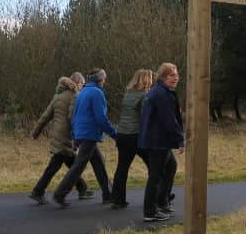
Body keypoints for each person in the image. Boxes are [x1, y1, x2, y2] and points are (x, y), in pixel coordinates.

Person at [51, 68, 116, 207]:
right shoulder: (97, 93)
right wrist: (115, 134)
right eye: (104, 78)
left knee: (99, 162)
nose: (105, 81)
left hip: (83, 132)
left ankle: (108, 194)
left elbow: (74, 117)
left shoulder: (83, 92)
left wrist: (75, 136)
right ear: (100, 79)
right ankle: (59, 194)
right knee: (79, 165)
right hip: (90, 133)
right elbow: (101, 118)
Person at [29, 72, 92, 204]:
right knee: (57, 166)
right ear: (77, 83)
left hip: (57, 135)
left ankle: (82, 188)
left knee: (72, 163)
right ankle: (38, 191)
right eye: (82, 84)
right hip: (66, 136)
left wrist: (35, 133)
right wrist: (80, 132)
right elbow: (72, 117)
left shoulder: (58, 96)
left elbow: (45, 116)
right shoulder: (75, 95)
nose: (82, 86)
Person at [139, 63, 184, 222]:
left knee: (171, 167)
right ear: (164, 77)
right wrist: (180, 139)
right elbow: (169, 120)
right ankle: (150, 211)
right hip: (157, 140)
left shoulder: (162, 92)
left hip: (157, 139)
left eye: (176, 75)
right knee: (155, 176)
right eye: (172, 75)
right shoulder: (161, 94)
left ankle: (162, 202)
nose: (176, 78)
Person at [111, 69, 154, 209]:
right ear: (146, 80)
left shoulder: (128, 94)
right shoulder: (145, 96)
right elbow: (145, 117)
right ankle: (160, 195)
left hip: (122, 134)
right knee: (154, 166)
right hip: (135, 135)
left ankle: (118, 200)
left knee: (122, 168)